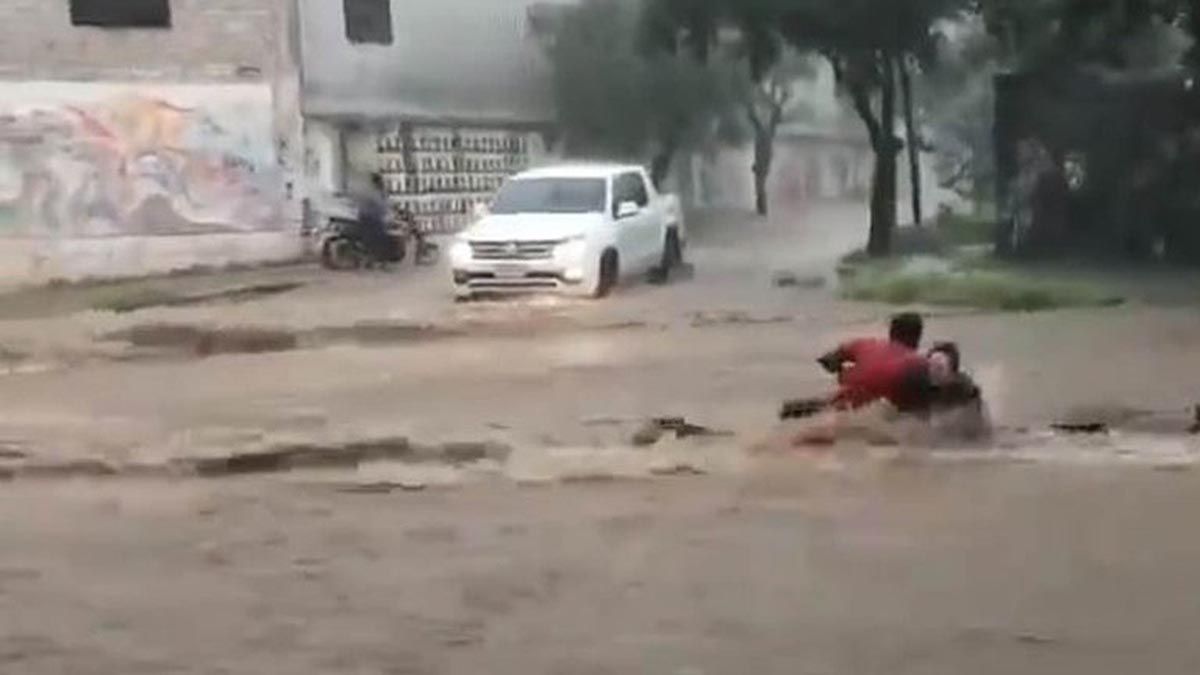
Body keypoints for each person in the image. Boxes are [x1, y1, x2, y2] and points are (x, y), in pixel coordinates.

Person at [818, 312, 929, 413]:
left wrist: (842, 372)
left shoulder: (865, 344)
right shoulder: (920, 362)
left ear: (891, 331)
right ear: (917, 335)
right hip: (883, 407)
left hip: (849, 394)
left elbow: (826, 360)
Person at [354, 172, 394, 265]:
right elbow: (381, 205)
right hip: (371, 218)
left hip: (365, 217)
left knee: (370, 240)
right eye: (381, 181)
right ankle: (381, 261)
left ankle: (370, 260)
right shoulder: (375, 192)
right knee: (381, 239)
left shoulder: (369, 190)